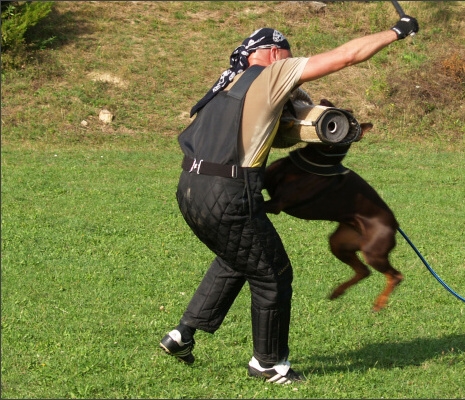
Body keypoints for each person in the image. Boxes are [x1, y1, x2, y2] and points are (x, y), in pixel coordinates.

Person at [160, 15, 419, 384]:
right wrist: (396, 32)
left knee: (239, 257)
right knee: (272, 274)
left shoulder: (227, 82)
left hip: (189, 187)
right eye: (287, 54)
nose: (290, 61)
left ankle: (181, 335)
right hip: (230, 191)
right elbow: (346, 55)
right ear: (273, 52)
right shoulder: (272, 74)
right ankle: (268, 364)